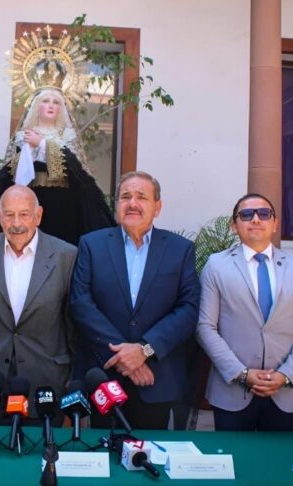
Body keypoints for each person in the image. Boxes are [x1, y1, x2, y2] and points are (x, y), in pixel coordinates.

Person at [70, 171, 200, 429]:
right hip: (104, 374)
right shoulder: (91, 245)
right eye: (125, 196)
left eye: (141, 197)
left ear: (157, 207)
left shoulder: (180, 249)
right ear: (116, 204)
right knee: (102, 450)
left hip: (156, 377)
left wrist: (144, 350)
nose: (132, 203)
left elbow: (188, 308)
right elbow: (81, 304)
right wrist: (125, 356)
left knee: (151, 450)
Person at [197, 193, 293, 431]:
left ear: (275, 224)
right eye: (246, 214)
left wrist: (286, 374)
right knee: (233, 454)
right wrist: (241, 373)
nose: (255, 219)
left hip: (284, 392)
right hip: (232, 392)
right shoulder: (216, 265)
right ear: (234, 225)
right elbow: (205, 327)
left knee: (281, 455)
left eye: (263, 214)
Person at [0, 88, 115, 256]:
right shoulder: (22, 136)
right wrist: (25, 153)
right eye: (45, 101)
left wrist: (43, 144)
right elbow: (8, 174)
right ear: (36, 106)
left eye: (56, 102)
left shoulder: (67, 135)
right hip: (27, 201)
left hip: (61, 204)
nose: (51, 105)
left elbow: (76, 170)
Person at [0, 185, 77, 422]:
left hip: (45, 383)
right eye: (9, 214)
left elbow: (73, 321)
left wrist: (74, 376)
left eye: (24, 214)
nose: (16, 223)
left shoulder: (67, 255)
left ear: (38, 215)